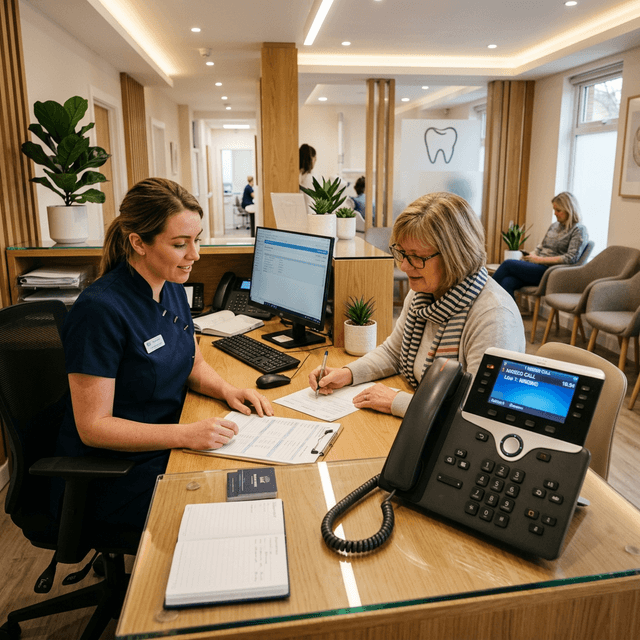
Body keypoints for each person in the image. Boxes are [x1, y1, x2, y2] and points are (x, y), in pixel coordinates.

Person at [54, 177, 273, 533]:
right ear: (138, 242)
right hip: (114, 473)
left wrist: (227, 390)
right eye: (180, 244)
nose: (195, 254)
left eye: (197, 240)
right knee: (235, 510)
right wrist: (185, 435)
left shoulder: (170, 286)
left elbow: (192, 362)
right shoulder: (99, 311)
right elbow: (93, 427)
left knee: (256, 481)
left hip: (165, 444)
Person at [309, 192, 526, 417]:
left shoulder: (494, 316)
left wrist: (398, 401)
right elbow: (393, 352)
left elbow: (476, 409)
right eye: (401, 253)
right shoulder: (421, 296)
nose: (403, 266)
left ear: (456, 256)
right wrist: (347, 373)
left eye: (416, 257)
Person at [492, 192, 588, 298]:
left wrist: (538, 260)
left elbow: (571, 258)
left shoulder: (578, 230)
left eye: (558, 210)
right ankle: (508, 314)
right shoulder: (554, 226)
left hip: (551, 272)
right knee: (507, 282)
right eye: (554, 210)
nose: (555, 213)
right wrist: (530, 256)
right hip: (537, 267)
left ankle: (482, 295)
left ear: (569, 210)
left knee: (508, 264)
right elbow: (541, 247)